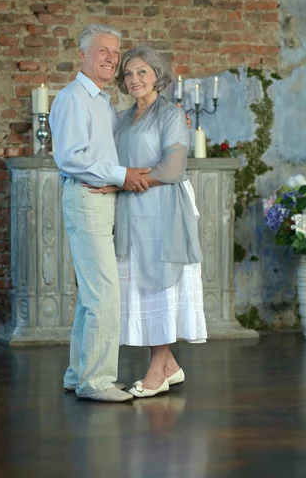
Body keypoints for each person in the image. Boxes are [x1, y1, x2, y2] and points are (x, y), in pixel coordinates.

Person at [88, 45, 207, 398]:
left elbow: (173, 168)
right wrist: (117, 179)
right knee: (137, 288)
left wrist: (127, 180)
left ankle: (158, 369)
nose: (134, 79)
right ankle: (170, 366)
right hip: (130, 212)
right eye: (128, 74)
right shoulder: (122, 119)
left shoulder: (171, 114)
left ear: (157, 75)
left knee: (160, 284)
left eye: (142, 72)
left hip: (163, 208)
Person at [49, 24, 152, 403]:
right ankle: (97, 382)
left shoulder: (102, 101)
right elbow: (71, 157)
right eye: (103, 51)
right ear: (83, 56)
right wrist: (121, 175)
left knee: (93, 293)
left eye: (115, 51)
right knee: (105, 293)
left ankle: (78, 373)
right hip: (86, 199)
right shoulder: (74, 98)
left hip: (99, 197)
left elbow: (107, 151)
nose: (112, 58)